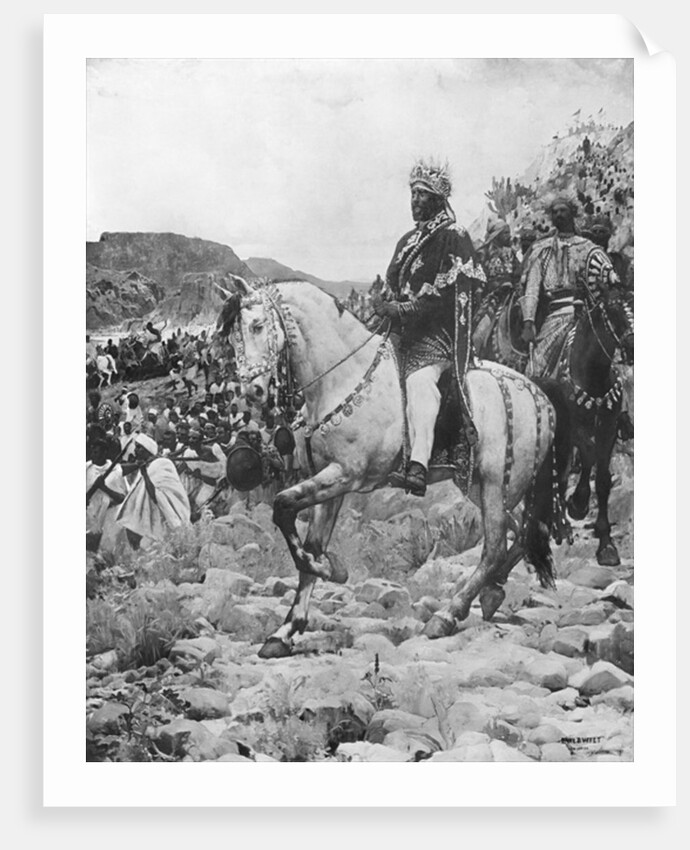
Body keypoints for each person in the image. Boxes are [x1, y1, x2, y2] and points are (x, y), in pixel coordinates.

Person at [372, 158, 486, 496]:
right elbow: (393, 283)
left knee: (420, 383)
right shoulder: (407, 240)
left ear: (438, 198)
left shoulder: (454, 236)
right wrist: (386, 304)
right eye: (413, 193)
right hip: (402, 331)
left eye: (422, 194)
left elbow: (446, 300)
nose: (415, 200)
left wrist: (402, 308)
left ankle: (419, 465)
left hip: (438, 336)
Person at [520, 196, 618, 380]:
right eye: (555, 212)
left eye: (563, 210)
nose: (558, 214)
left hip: (588, 313)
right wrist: (529, 322)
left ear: (572, 213)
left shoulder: (588, 247)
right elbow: (532, 289)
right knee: (535, 372)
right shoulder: (541, 250)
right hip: (555, 317)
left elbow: (609, 281)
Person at [116, 434, 190, 549]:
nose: (135, 451)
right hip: (148, 520)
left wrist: (144, 473)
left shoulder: (162, 464)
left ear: (147, 450)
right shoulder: (146, 465)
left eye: (139, 447)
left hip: (163, 519)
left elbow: (158, 497)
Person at [86, 437, 128, 554]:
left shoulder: (116, 471)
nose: (93, 455)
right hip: (90, 519)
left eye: (96, 452)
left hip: (109, 521)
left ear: (104, 453)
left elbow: (122, 498)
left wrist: (104, 488)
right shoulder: (86, 469)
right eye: (92, 451)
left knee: (106, 554)